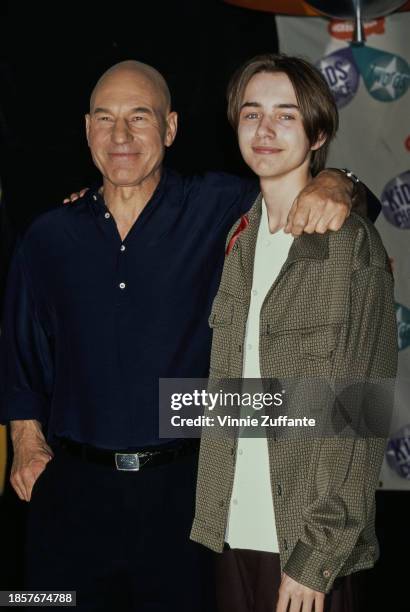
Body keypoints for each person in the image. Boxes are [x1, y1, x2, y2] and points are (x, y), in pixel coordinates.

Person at [0, 59, 376, 611]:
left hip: (186, 500)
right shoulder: (47, 236)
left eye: (140, 117)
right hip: (70, 498)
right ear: (86, 131)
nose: (121, 135)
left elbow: (297, 184)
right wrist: (25, 440)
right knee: (40, 604)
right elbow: (19, 351)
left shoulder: (221, 207)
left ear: (171, 128)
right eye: (105, 119)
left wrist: (340, 182)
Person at [190, 54, 397, 612]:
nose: (264, 130)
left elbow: (363, 409)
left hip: (304, 549)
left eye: (286, 116)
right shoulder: (238, 241)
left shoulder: (349, 247)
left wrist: (318, 555)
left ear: (318, 132)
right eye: (252, 113)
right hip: (231, 531)